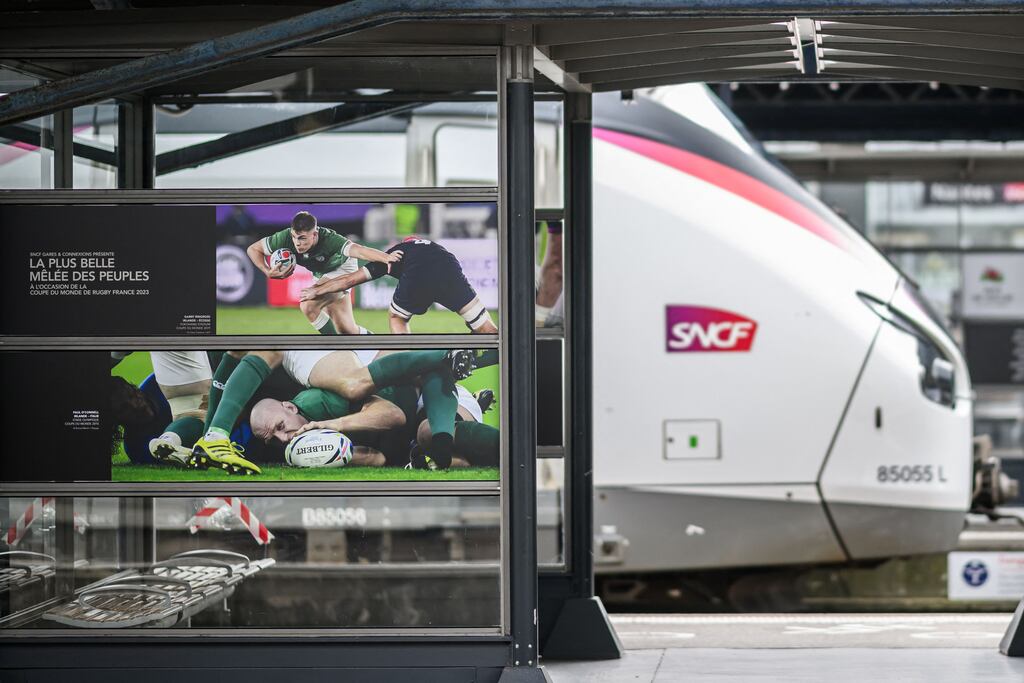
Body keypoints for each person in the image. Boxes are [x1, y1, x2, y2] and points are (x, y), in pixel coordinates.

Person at [189, 348, 478, 475]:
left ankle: (446, 353)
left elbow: (392, 414)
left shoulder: (313, 404)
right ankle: (211, 438)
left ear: (289, 407)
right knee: (441, 449)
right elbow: (376, 459)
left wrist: (333, 425)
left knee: (355, 384)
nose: (282, 438)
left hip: (401, 392)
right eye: (272, 438)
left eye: (278, 427)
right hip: (411, 402)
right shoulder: (289, 445)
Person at [299, 236, 497, 334]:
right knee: (483, 324)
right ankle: (494, 349)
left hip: (418, 272)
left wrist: (317, 289)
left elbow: (349, 280)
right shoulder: (435, 247)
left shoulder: (398, 251)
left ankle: (408, 363)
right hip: (449, 267)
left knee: (397, 317)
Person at [246, 210, 400, 335]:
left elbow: (360, 251)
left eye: (302, 238)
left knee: (308, 305)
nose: (297, 243)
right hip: (322, 274)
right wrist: (267, 271)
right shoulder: (285, 238)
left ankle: (336, 349)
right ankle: (380, 348)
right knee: (347, 330)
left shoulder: (330, 239)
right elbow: (253, 249)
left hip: (342, 269)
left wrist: (386, 257)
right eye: (294, 237)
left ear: (315, 234)